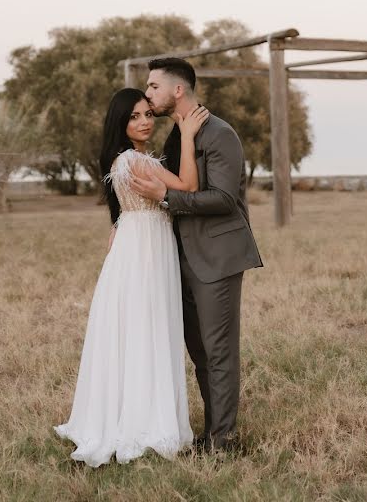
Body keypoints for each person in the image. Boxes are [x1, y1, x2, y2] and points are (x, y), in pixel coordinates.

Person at [55, 88, 209, 467]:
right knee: (147, 328)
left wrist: (119, 223)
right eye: (134, 116)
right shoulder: (136, 161)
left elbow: (128, 207)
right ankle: (142, 421)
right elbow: (188, 187)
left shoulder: (128, 159)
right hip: (144, 253)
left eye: (146, 114)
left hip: (140, 244)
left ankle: (134, 409)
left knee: (138, 328)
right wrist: (188, 136)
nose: (143, 122)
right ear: (121, 123)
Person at [131, 57, 263, 452]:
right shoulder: (176, 136)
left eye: (153, 86)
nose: (148, 92)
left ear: (177, 90)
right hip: (182, 257)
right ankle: (210, 431)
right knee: (199, 350)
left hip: (217, 255)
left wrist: (166, 197)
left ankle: (222, 441)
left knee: (218, 349)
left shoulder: (220, 134)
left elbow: (224, 198)